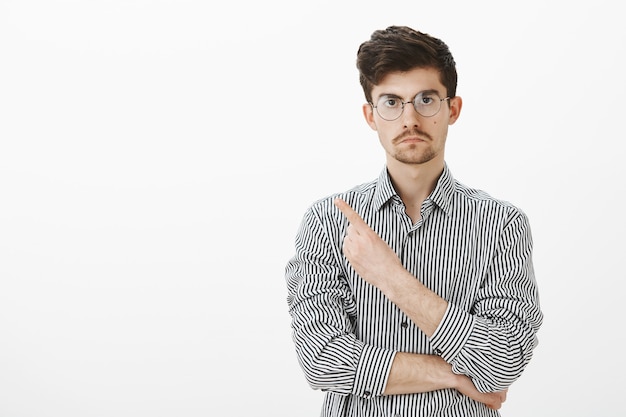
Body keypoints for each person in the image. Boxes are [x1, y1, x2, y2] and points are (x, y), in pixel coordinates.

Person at [285, 25, 543, 416]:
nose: (409, 119)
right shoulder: (327, 222)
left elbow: (504, 359)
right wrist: (456, 376)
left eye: (426, 99)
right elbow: (322, 359)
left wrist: (391, 277)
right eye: (391, 102)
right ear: (371, 116)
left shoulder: (501, 224)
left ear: (452, 109)